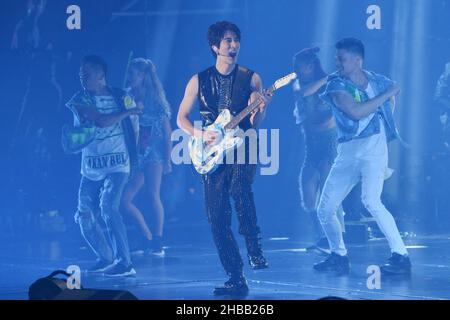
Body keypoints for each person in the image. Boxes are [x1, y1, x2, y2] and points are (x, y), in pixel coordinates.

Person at [176, 21, 271, 295]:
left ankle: (255, 249)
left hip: (241, 144)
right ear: (215, 46)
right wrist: (199, 133)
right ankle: (235, 276)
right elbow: (180, 117)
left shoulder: (252, 78)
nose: (233, 45)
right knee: (216, 216)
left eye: (236, 40)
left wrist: (260, 108)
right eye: (227, 40)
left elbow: (256, 122)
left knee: (240, 188)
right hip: (212, 151)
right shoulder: (198, 80)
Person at [314, 38, 411, 275]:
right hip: (347, 152)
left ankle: (401, 255)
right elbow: (355, 112)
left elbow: (393, 92)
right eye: (336, 58)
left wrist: (385, 113)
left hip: (374, 150)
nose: (337, 63)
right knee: (325, 209)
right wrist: (383, 99)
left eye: (342, 59)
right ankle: (339, 255)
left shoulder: (377, 81)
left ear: (358, 60)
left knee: (371, 200)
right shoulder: (336, 85)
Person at [66, 55, 140, 277]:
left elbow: (134, 128)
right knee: (84, 213)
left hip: (118, 164)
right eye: (81, 73)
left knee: (109, 206)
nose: (82, 76)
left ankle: (125, 262)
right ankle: (106, 256)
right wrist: (128, 112)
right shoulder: (80, 98)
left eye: (86, 73)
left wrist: (132, 157)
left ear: (101, 76)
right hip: (91, 166)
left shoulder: (123, 97)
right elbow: (100, 121)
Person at [292, 47, 345, 253]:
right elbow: (306, 92)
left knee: (328, 192)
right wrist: (329, 77)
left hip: (328, 141)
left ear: (311, 66)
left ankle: (333, 239)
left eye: (300, 66)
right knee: (308, 194)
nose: (296, 70)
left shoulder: (330, 84)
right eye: (295, 66)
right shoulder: (299, 84)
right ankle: (322, 235)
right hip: (310, 143)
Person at [121, 58, 172, 257]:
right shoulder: (126, 96)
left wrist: (167, 160)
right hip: (133, 155)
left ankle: (157, 240)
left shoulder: (157, 100)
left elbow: (168, 133)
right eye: (130, 73)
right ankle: (147, 236)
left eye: (134, 73)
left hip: (153, 154)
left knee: (153, 195)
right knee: (124, 202)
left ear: (143, 76)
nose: (130, 77)